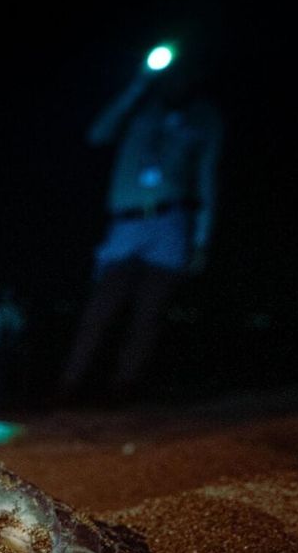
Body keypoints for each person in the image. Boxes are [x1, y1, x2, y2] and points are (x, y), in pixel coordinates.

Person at [57, 48, 223, 401]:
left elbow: (208, 176)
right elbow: (97, 134)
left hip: (172, 218)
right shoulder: (139, 109)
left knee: (150, 309)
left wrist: (201, 239)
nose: (176, 82)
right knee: (101, 304)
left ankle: (124, 387)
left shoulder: (204, 117)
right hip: (126, 220)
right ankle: (69, 385)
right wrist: (138, 84)